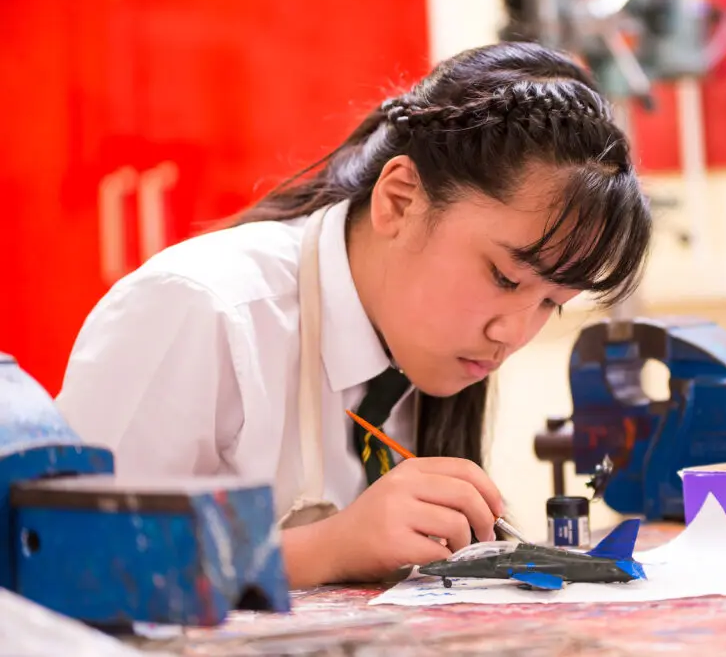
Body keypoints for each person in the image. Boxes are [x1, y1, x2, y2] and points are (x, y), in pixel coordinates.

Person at [55, 42, 652, 588]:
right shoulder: (199, 310)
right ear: (400, 200)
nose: (513, 334)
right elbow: (67, 566)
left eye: (551, 303)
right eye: (503, 277)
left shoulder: (422, 345)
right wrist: (328, 548)